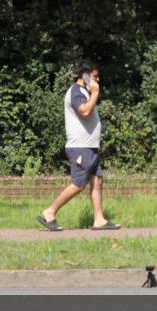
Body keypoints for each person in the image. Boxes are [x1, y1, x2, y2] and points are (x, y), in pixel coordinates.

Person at [37, 59, 119, 231]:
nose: (97, 81)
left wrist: (93, 92)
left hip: (90, 146)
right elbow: (85, 112)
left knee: (97, 181)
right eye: (95, 77)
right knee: (78, 184)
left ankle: (99, 220)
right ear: (85, 76)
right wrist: (95, 93)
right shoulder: (76, 92)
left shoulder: (84, 91)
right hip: (80, 147)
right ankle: (50, 212)